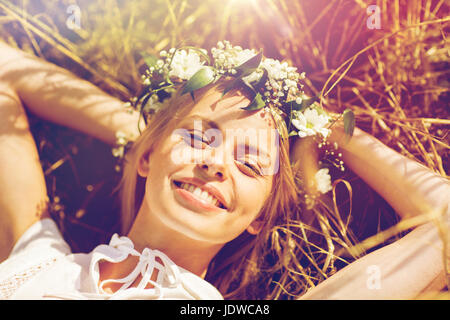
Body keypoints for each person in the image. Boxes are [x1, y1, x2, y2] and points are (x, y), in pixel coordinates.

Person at [0, 40, 448, 300]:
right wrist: (148, 132)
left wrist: (327, 129)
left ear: (260, 219)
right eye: (199, 138)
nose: (215, 162)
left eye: (251, 163)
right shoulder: (36, 259)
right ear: (146, 157)